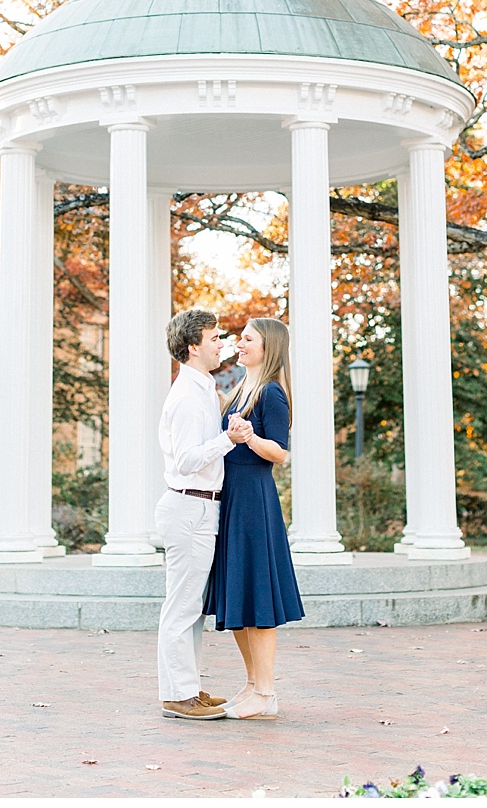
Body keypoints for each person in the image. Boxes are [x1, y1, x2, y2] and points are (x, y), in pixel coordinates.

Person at [203, 316, 305, 719]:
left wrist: (250, 438)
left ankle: (266, 693)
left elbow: (280, 452)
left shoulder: (273, 393)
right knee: (240, 596)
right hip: (233, 500)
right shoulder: (239, 388)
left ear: (269, 347)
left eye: (248, 339)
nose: (239, 344)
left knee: (258, 596)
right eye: (240, 339)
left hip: (254, 502)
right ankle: (251, 686)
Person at [155, 307, 238, 721]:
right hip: (189, 504)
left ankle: (187, 687)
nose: (221, 342)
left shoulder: (204, 387)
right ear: (192, 348)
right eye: (213, 338)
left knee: (193, 607)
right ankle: (176, 695)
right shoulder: (187, 397)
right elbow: (187, 460)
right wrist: (228, 440)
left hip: (203, 505)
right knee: (182, 606)